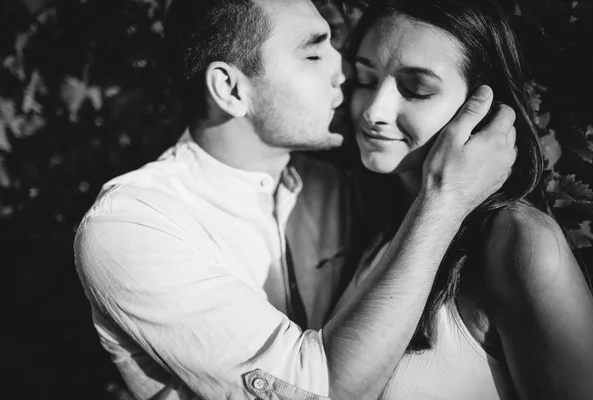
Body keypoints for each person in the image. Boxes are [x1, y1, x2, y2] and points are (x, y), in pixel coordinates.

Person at [74, 0, 517, 399]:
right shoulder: (136, 224)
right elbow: (317, 391)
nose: (343, 72)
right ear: (230, 89)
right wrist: (445, 200)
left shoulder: (338, 187)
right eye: (312, 52)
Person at [331, 1, 593, 399]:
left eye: (416, 89)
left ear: (481, 107)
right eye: (365, 79)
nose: (374, 111)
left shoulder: (518, 242)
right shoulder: (371, 213)